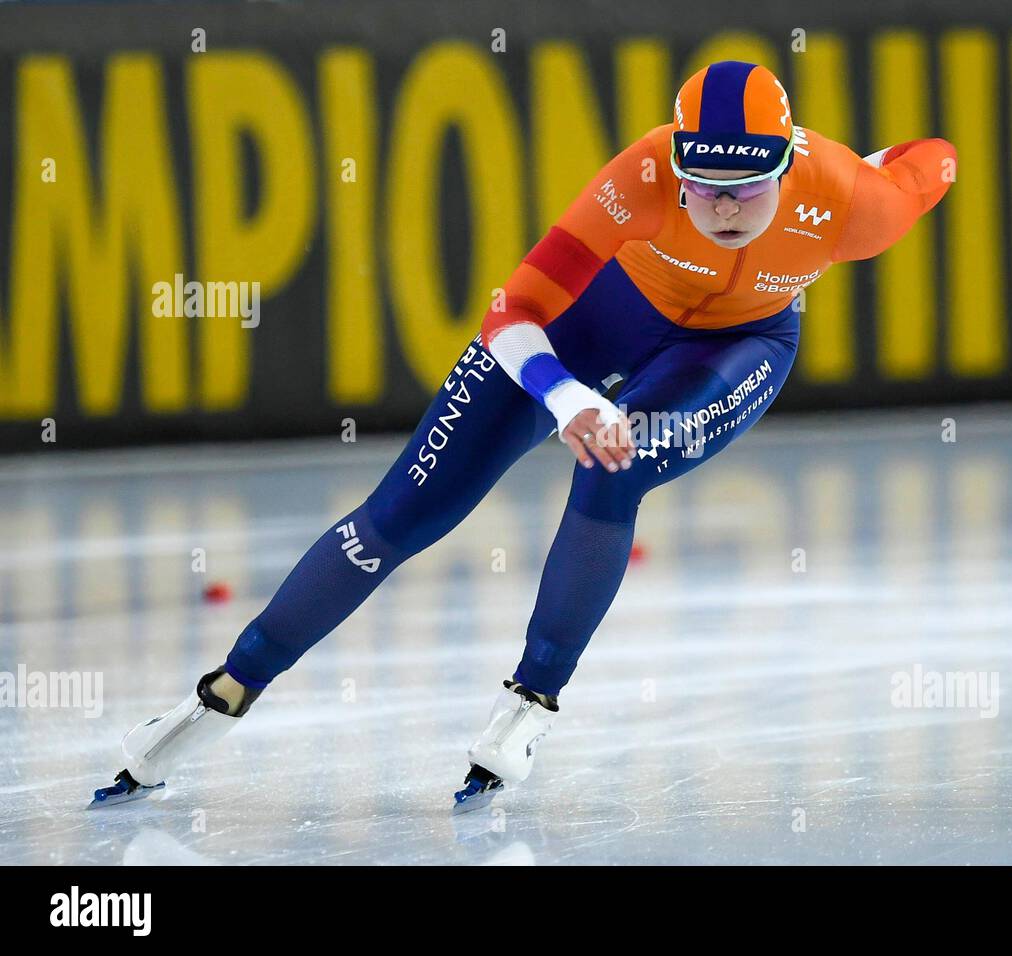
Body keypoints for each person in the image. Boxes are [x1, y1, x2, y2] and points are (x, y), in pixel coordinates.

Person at [90, 60, 956, 811]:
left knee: (618, 468)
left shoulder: (849, 201)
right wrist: (564, 393)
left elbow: (933, 163)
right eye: (706, 186)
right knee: (401, 512)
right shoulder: (641, 173)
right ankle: (221, 695)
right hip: (590, 324)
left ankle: (529, 705)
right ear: (676, 166)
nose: (725, 208)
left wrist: (886, 161)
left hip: (739, 345)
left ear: (788, 163)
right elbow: (514, 309)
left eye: (749, 188)